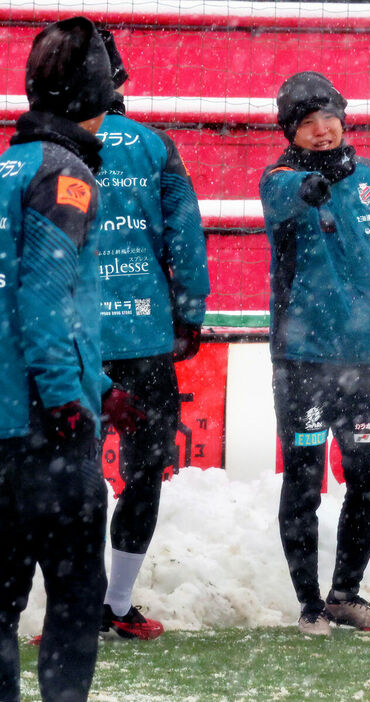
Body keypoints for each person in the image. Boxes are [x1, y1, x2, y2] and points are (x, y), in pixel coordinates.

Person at [259, 71, 370, 636]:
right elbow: (283, 197)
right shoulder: (278, 179)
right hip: (302, 362)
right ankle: (308, 605)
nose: (322, 131)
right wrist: (309, 185)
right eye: (307, 123)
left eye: (329, 118)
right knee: (304, 482)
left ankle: (346, 593)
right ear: (290, 132)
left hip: (366, 362)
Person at [0, 16, 118, 702]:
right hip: (46, 427)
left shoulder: (7, 164)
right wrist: (71, 398)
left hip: (4, 417)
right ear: (92, 98)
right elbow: (45, 298)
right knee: (75, 593)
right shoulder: (65, 173)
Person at [95, 29, 210, 640]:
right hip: (144, 337)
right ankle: (116, 604)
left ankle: (75, 603)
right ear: (119, 82)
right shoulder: (154, 146)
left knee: (73, 477)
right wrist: (189, 314)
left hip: (68, 341)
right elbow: (185, 235)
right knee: (142, 473)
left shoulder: (28, 150)